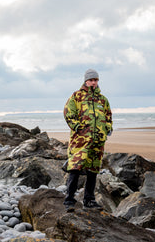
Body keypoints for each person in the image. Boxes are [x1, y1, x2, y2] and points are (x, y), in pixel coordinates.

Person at [63, 69, 113, 212]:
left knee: (93, 170)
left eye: (96, 80)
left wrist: (107, 128)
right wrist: (78, 127)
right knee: (75, 168)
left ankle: (89, 201)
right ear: (86, 81)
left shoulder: (102, 100)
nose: (93, 82)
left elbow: (108, 116)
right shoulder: (77, 96)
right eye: (91, 80)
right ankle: (69, 201)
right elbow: (68, 113)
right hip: (81, 141)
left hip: (98, 141)